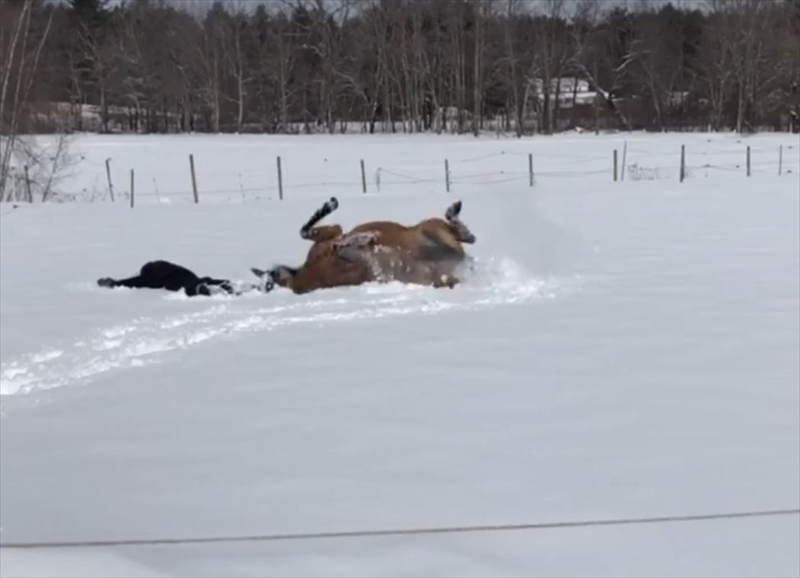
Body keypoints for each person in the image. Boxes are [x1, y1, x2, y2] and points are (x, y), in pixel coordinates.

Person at [97, 260, 259, 297]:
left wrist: (114, 283)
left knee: (191, 287)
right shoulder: (171, 267)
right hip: (185, 274)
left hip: (173, 282)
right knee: (199, 281)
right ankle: (224, 284)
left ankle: (205, 290)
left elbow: (131, 283)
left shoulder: (146, 276)